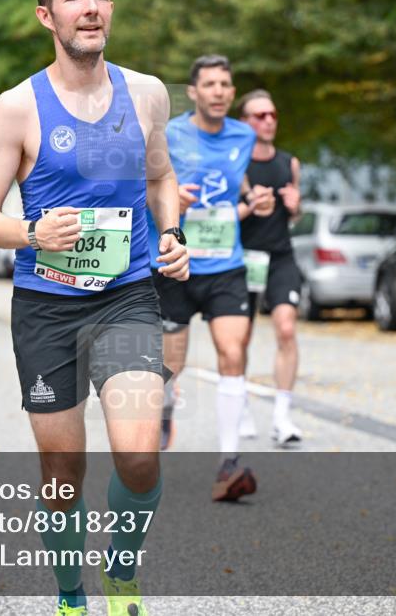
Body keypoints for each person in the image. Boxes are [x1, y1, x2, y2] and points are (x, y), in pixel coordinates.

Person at [0, 0, 188, 614]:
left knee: (139, 453)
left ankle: (121, 571)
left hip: (126, 298)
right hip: (46, 309)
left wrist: (173, 234)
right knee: (63, 473)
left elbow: (160, 178)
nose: (90, 7)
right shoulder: (16, 108)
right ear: (47, 14)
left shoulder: (146, 93)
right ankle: (71, 596)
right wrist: (32, 233)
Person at [147, 55, 273, 502]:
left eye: (226, 84)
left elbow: (238, 182)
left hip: (226, 268)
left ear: (232, 93)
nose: (219, 91)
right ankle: (162, 414)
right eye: (210, 84)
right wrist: (170, 196)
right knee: (168, 368)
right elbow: (149, 182)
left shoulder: (244, 135)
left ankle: (228, 461)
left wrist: (255, 198)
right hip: (177, 264)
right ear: (195, 92)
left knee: (232, 350)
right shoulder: (172, 134)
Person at [238, 89, 304, 447]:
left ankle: (282, 415)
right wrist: (250, 204)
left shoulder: (289, 163)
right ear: (244, 122)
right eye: (259, 115)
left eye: (272, 115)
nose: (268, 121)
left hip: (280, 256)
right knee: (240, 338)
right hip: (244, 258)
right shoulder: (235, 163)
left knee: (286, 328)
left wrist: (296, 207)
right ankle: (242, 404)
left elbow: (295, 212)